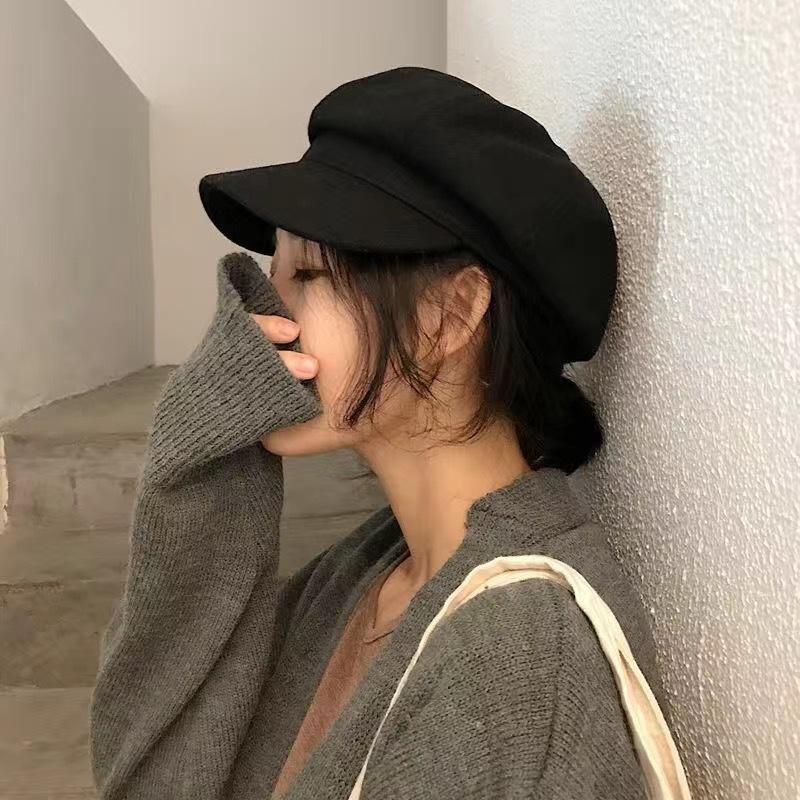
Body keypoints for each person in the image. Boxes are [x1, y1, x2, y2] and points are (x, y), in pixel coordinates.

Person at [89, 66, 671, 799]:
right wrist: (196, 461)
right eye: (275, 269)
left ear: (449, 317)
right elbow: (158, 763)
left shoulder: (520, 662)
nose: (263, 310)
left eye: (307, 274)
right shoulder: (368, 569)